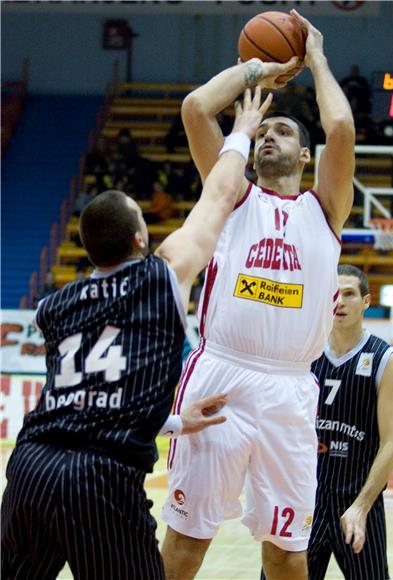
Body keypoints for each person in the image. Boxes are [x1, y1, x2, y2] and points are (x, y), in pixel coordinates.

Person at [1, 86, 276, 580]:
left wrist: (173, 421)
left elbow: (83, 402)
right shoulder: (160, 276)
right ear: (139, 238)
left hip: (31, 468)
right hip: (101, 476)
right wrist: (240, 132)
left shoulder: (54, 307)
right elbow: (218, 195)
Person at [161, 9, 355, 580]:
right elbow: (197, 108)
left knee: (287, 551)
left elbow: (340, 130)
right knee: (186, 541)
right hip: (221, 372)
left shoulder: (325, 210)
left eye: (284, 132)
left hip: (291, 390)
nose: (268, 135)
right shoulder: (230, 195)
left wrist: (314, 58)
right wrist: (256, 71)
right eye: (262, 131)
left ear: (304, 158)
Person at [307, 265, 393, 580]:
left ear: (366, 301)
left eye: (349, 294)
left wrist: (362, 506)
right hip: (305, 499)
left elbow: (391, 442)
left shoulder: (383, 358)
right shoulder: (305, 351)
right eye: (334, 294)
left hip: (359, 501)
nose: (340, 301)